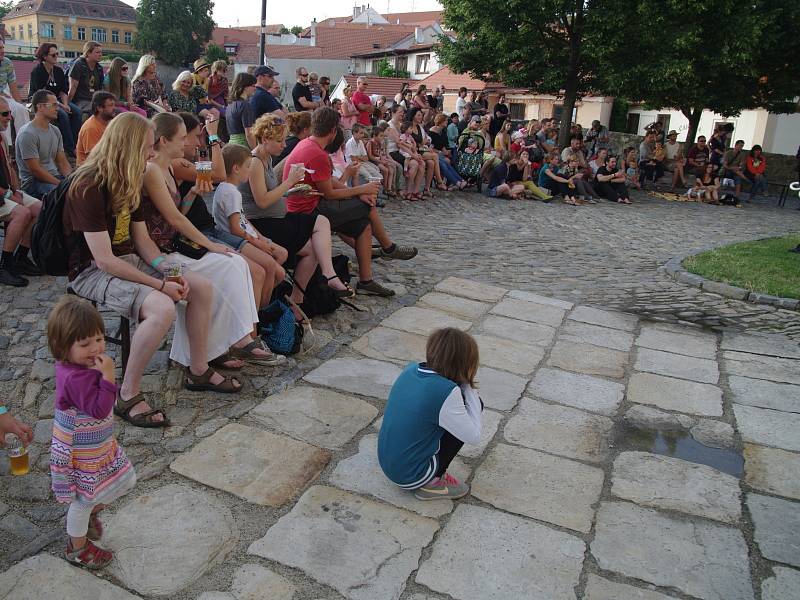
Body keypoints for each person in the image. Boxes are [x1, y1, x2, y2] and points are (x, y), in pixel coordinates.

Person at [63, 113, 182, 428]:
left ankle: (198, 366)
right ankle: (127, 394)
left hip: (123, 260)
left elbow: (142, 242)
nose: (152, 153)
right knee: (162, 308)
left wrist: (166, 270)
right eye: (146, 147)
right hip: (89, 270)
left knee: (195, 284)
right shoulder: (88, 185)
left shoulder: (129, 177)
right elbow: (103, 261)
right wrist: (158, 287)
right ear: (128, 147)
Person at [142, 112, 282, 366]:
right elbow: (175, 220)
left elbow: (177, 212)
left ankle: (237, 339)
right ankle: (229, 344)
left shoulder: (169, 169)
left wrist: (193, 192)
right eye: (183, 138)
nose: (188, 143)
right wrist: (209, 245)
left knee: (236, 264)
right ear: (164, 141)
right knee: (227, 265)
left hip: (174, 245)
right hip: (163, 254)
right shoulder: (154, 170)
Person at [284, 107, 417, 296]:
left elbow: (327, 181)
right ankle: (388, 247)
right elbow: (329, 193)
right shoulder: (318, 154)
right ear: (332, 131)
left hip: (308, 205)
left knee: (363, 225)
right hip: (308, 212)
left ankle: (366, 281)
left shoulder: (308, 144)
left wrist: (355, 193)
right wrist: (361, 191)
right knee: (367, 206)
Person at [47, 295, 137, 570]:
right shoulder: (76, 377)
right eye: (84, 344)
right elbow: (99, 410)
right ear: (63, 346)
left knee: (123, 480)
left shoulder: (80, 367)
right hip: (81, 451)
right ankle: (78, 547)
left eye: (98, 339)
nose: (95, 348)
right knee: (83, 500)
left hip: (96, 445)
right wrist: (109, 377)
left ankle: (88, 517)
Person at [240, 113, 354, 304]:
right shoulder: (254, 163)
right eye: (280, 140)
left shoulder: (266, 158)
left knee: (319, 232)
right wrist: (290, 182)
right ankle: (304, 294)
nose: (284, 145)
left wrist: (291, 192)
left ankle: (317, 282)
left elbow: (271, 193)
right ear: (266, 139)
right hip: (262, 223)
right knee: (314, 243)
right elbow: (262, 201)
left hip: (274, 217)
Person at [378, 328, 482, 500]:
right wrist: (468, 384)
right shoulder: (447, 392)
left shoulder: (410, 369)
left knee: (449, 414)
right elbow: (474, 436)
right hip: (411, 476)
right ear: (465, 363)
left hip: (388, 464)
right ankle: (433, 482)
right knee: (471, 407)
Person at [0, 97, 42, 286]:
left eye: (9, 113)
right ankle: (5, 265)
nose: (9, 117)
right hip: (1, 195)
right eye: (4, 114)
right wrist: (9, 195)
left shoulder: (1, 137)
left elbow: (9, 168)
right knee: (22, 213)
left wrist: (16, 191)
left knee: (40, 208)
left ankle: (21, 258)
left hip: (6, 191)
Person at [15, 90, 72, 198]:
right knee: (65, 195)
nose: (57, 108)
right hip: (33, 183)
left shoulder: (55, 131)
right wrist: (61, 185)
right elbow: (35, 170)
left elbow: (62, 162)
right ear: (40, 107)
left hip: (54, 178)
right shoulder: (28, 134)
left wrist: (72, 180)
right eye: (54, 105)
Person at [29, 43, 82, 156]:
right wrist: (61, 106)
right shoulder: (37, 71)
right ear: (44, 56)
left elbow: (63, 91)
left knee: (77, 112)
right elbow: (41, 94)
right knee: (62, 115)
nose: (56, 57)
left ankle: (77, 143)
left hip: (57, 99)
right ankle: (70, 148)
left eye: (57, 54)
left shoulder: (58, 71)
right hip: (42, 100)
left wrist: (66, 104)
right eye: (53, 55)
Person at [386, 106, 425, 200]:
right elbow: (399, 143)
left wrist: (414, 153)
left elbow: (409, 142)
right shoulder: (389, 126)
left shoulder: (401, 125)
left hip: (404, 151)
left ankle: (415, 191)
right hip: (393, 152)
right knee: (414, 164)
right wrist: (413, 155)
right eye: (400, 112)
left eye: (403, 112)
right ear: (393, 113)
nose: (402, 114)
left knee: (422, 163)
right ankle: (408, 191)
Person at [0, 39, 31, 148]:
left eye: (3, 47)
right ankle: (7, 147)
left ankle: (25, 143)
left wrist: (19, 103)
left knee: (21, 110)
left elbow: (13, 86)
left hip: (5, 97)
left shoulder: (7, 62)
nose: (3, 51)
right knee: (3, 113)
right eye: (0, 48)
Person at [76, 91, 116, 165]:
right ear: (99, 108)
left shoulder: (110, 123)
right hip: (91, 171)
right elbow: (94, 158)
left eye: (114, 105)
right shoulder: (90, 128)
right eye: (110, 105)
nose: (114, 108)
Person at [68, 42, 105, 114]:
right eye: (97, 52)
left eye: (101, 52)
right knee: (98, 110)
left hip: (94, 100)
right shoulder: (79, 65)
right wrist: (68, 104)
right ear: (88, 53)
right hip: (80, 100)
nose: (100, 54)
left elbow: (100, 89)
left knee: (110, 109)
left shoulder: (99, 68)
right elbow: (73, 87)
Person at [226, 72, 257, 148]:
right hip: (243, 147)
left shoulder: (230, 105)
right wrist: (255, 152)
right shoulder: (245, 105)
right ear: (245, 87)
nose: (255, 88)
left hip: (232, 145)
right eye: (253, 86)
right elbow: (249, 134)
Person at [366, 124, 399, 197]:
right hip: (374, 161)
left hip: (379, 160)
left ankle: (388, 188)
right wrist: (381, 161)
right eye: (381, 136)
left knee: (390, 168)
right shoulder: (370, 143)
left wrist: (384, 160)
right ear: (374, 136)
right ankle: (385, 188)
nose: (382, 137)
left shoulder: (379, 143)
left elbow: (380, 154)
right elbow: (370, 156)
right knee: (385, 170)